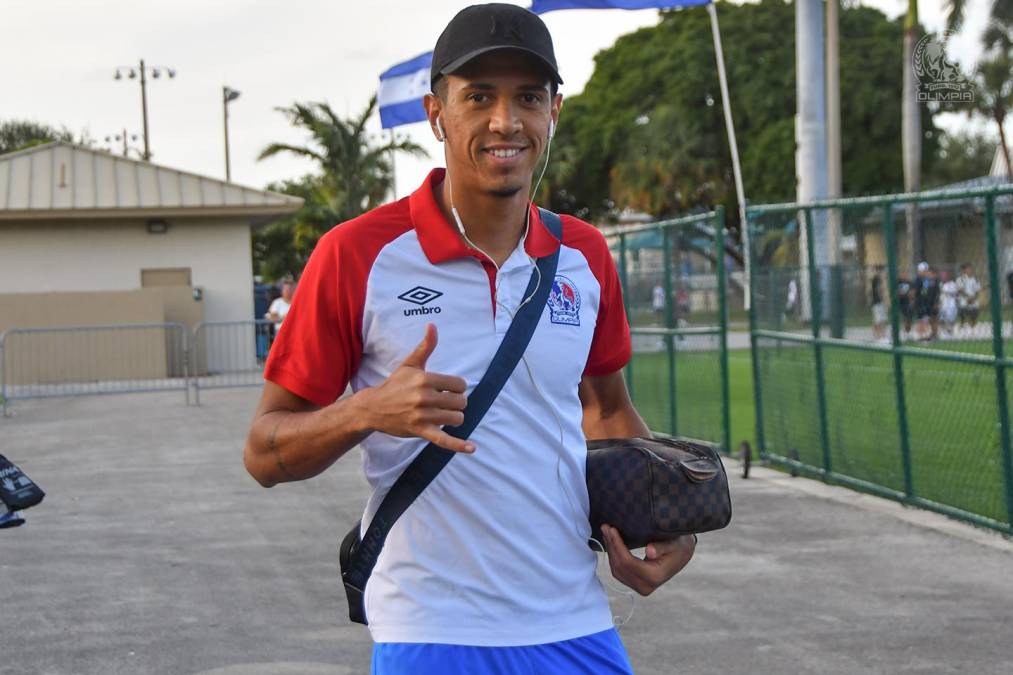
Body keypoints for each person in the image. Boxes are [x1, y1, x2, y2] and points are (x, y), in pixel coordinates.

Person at [243, 5, 695, 673]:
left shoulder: (585, 255)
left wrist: (667, 520)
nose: (504, 120)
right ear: (437, 114)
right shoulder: (356, 254)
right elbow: (263, 452)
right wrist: (367, 411)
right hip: (430, 627)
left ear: (553, 114)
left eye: (527, 98)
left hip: (572, 618)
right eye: (479, 96)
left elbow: (606, 411)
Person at [913, 262, 939, 341]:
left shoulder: (927, 280)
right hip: (920, 303)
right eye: (924, 270)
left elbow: (927, 292)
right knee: (921, 319)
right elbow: (919, 293)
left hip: (927, 303)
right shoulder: (918, 280)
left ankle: (926, 335)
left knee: (926, 319)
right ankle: (920, 336)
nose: (925, 272)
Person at [956, 263, 981, 337]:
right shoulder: (960, 279)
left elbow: (977, 290)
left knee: (974, 315)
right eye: (967, 269)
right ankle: (963, 330)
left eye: (970, 268)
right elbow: (960, 290)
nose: (969, 270)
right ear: (964, 270)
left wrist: (974, 298)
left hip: (973, 300)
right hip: (964, 300)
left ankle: (972, 330)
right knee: (964, 315)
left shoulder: (975, 279)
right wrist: (968, 297)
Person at [939, 269, 958, 337]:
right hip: (942, 304)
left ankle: (950, 331)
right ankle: (944, 331)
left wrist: (946, 292)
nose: (944, 278)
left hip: (951, 304)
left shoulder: (952, 284)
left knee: (951, 319)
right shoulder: (940, 284)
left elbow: (955, 293)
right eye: (943, 276)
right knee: (942, 318)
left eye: (945, 276)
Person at [870, 268, 887, 342]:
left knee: (882, 319)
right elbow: (880, 290)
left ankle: (882, 336)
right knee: (878, 320)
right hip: (876, 303)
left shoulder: (879, 280)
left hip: (880, 302)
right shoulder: (875, 280)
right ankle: (877, 337)